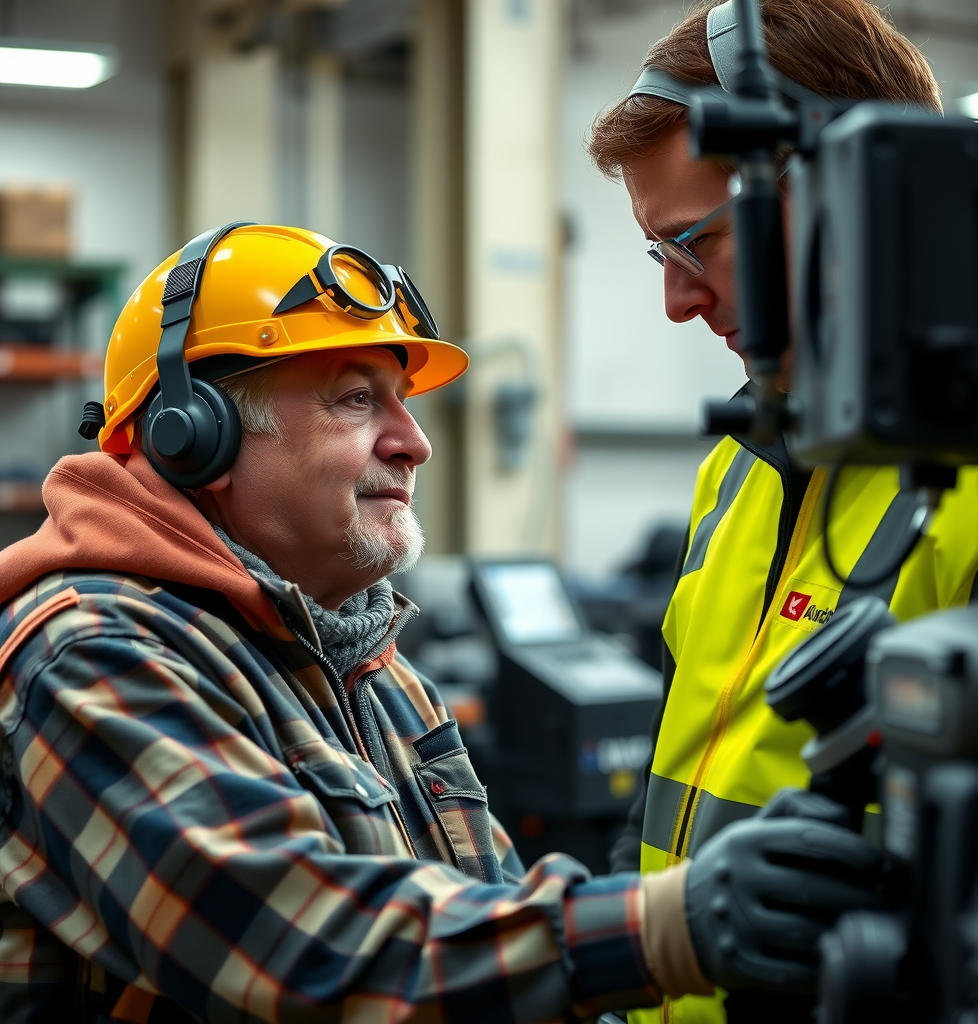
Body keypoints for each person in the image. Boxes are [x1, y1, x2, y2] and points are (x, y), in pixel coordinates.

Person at [0, 224, 882, 1023]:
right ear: (193, 435)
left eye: (402, 401)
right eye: (355, 399)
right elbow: (307, 951)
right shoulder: (91, 656)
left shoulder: (368, 662)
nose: (413, 441)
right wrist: (666, 927)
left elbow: (487, 907)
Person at [587, 1, 978, 1022]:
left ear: (852, 194)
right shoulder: (736, 471)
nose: (678, 303)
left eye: (700, 242)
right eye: (661, 255)